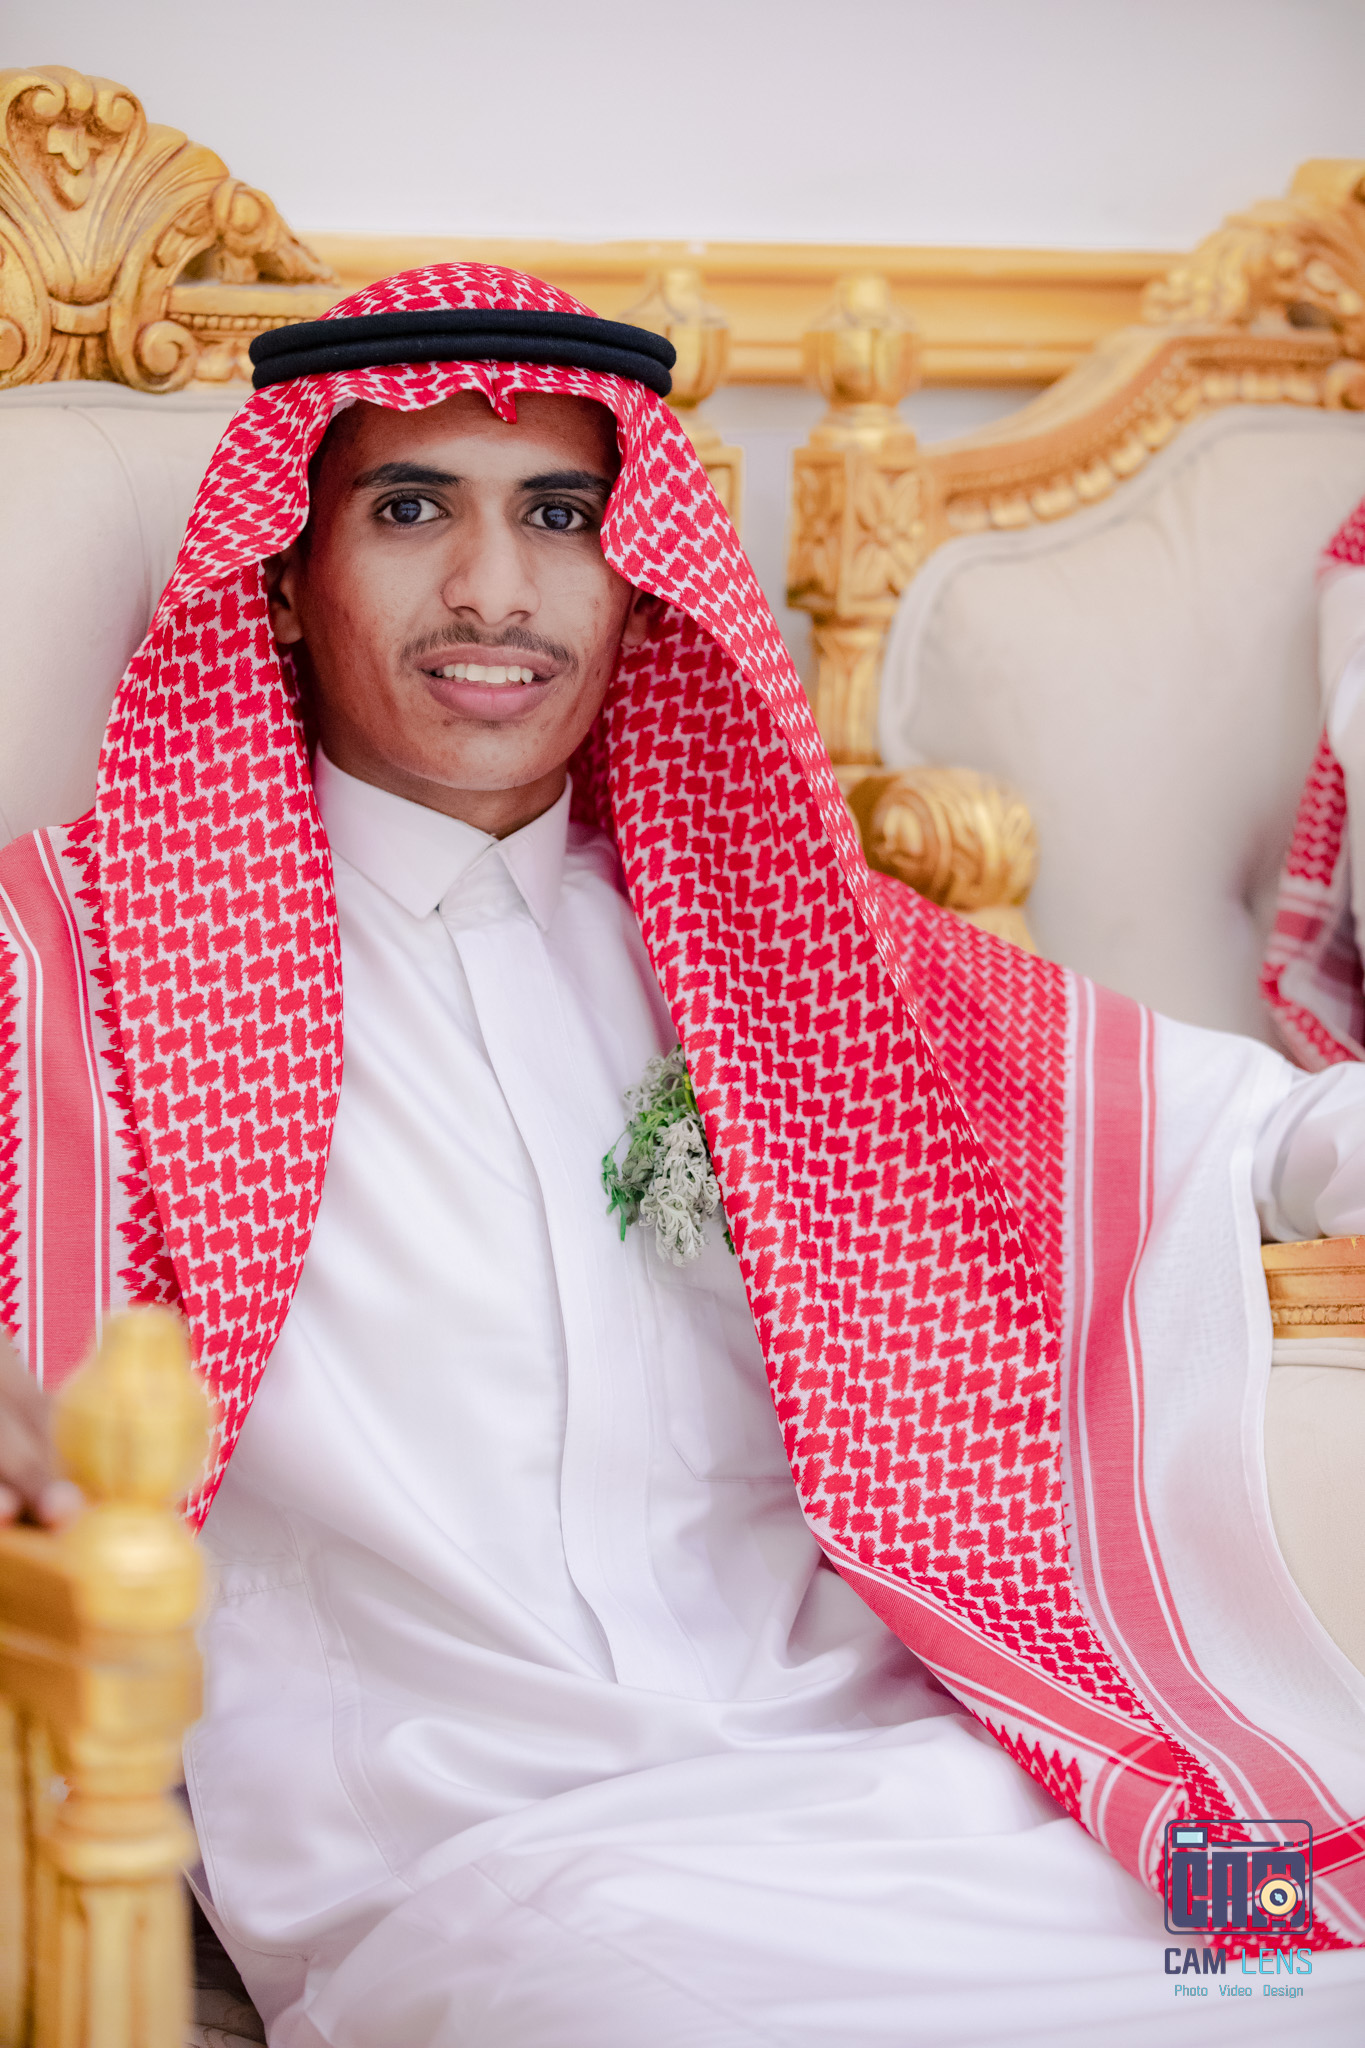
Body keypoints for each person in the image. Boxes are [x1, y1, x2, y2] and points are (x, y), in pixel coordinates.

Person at [1, 265, 1364, 2045]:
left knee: (1290, 1976)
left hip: (929, 1784)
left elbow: (1255, 1129)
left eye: (560, 516)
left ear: (639, 577)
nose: (493, 590)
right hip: (487, 1855)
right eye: (410, 510)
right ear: (281, 574)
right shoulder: (75, 962)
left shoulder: (774, 934)